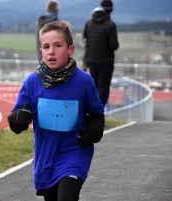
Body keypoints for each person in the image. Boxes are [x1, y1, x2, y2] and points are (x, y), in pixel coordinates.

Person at [8, 20, 105, 201]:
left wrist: (94, 131)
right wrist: (19, 118)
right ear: (41, 51)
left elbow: (96, 114)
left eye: (57, 45)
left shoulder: (84, 81)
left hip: (74, 153)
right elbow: (14, 120)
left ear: (70, 50)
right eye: (46, 46)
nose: (51, 51)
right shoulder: (32, 82)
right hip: (46, 157)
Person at [82, 0, 119, 106]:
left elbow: (85, 39)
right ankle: (98, 114)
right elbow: (114, 46)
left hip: (91, 60)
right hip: (106, 62)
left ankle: (92, 113)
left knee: (94, 87)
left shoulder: (89, 23)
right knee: (103, 88)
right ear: (111, 10)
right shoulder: (111, 25)